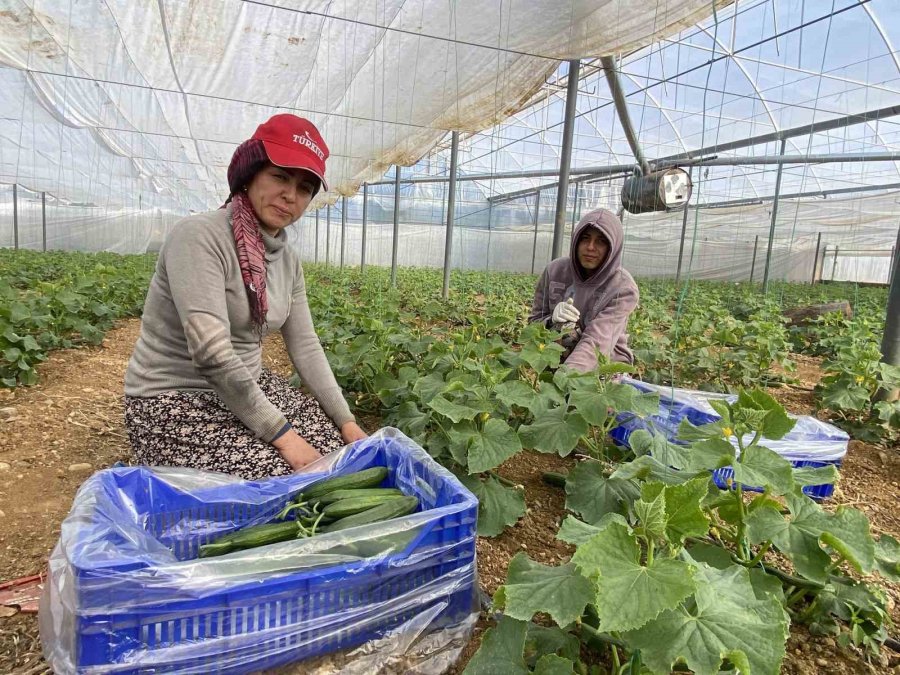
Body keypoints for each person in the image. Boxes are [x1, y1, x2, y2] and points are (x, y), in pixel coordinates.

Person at [124, 114, 366, 481]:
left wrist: (346, 421)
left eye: (304, 188)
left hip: (247, 387)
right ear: (251, 174)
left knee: (336, 453)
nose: (290, 195)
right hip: (175, 400)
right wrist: (283, 436)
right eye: (280, 176)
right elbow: (211, 352)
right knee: (290, 480)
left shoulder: (287, 260)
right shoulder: (198, 236)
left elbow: (305, 345)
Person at [529, 208, 638, 371]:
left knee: (570, 334)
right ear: (576, 240)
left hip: (604, 362)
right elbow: (532, 324)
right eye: (585, 238)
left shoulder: (622, 287)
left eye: (601, 241)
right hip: (557, 357)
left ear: (613, 247)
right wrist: (551, 321)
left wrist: (565, 380)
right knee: (565, 329)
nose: (590, 247)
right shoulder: (554, 271)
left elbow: (597, 342)